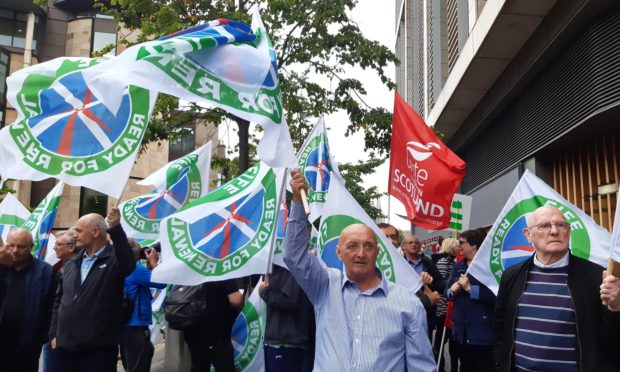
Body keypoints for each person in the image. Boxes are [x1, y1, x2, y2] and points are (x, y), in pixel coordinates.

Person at [284, 170, 435, 371]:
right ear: (339, 253)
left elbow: (422, 367)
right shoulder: (325, 286)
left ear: (377, 252)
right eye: (352, 246)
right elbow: (293, 256)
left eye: (368, 246)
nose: (361, 254)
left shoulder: (408, 304)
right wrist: (297, 202)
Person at [494, 205, 620, 371]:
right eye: (544, 225)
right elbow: (499, 327)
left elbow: (611, 342)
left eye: (561, 225)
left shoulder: (597, 277)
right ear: (528, 235)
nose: (554, 231)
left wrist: (616, 308)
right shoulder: (512, 275)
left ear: (568, 231)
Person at [49, 208, 135, 372]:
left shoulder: (113, 261)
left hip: (97, 353)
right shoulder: (71, 264)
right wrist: (54, 334)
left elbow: (127, 263)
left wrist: (115, 228)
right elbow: (59, 301)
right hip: (64, 349)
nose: (75, 235)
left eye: (79, 231)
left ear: (95, 232)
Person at [0, 228, 57, 372]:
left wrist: (40, 338)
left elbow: (53, 307)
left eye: (21, 246)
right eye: (11, 245)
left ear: (31, 247)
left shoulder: (44, 272)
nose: (15, 250)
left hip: (26, 349)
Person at [446, 228, 495, 372]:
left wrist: (470, 289)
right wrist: (452, 291)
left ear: (474, 245)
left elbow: (495, 295)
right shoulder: (458, 267)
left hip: (482, 334)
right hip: (461, 333)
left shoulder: (489, 267)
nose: (458, 246)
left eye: (462, 243)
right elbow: (447, 292)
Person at [120, 239, 166, 372]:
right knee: (138, 366)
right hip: (135, 325)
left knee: (131, 363)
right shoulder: (135, 269)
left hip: (121, 324)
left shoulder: (116, 266)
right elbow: (161, 282)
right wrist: (153, 262)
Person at [259, 264, 315, 372]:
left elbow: (289, 300)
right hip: (275, 342)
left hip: (286, 344)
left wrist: (265, 293)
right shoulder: (272, 269)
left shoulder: (290, 267)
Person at [181, 280, 244, 372]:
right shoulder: (222, 271)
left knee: (199, 366)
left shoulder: (190, 267)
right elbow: (235, 300)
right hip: (216, 333)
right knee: (224, 366)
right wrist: (241, 293)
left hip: (192, 330)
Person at [43, 229, 78, 372]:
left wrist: (55, 334)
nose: (54, 248)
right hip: (54, 333)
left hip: (64, 335)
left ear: (71, 247)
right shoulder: (58, 267)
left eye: (58, 244)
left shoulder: (79, 268)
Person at [402, 233, 442, 336]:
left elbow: (440, 283)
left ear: (420, 246)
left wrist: (431, 281)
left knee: (425, 339)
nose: (414, 245)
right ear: (403, 246)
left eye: (416, 243)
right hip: (404, 307)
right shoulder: (400, 264)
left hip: (426, 309)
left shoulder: (428, 263)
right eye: (410, 242)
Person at [431, 237, 459, 372]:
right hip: (443, 309)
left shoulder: (452, 261)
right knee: (440, 342)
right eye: (457, 246)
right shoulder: (443, 262)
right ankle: (439, 367)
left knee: (453, 343)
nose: (459, 249)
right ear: (451, 247)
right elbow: (441, 285)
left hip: (451, 307)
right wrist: (456, 283)